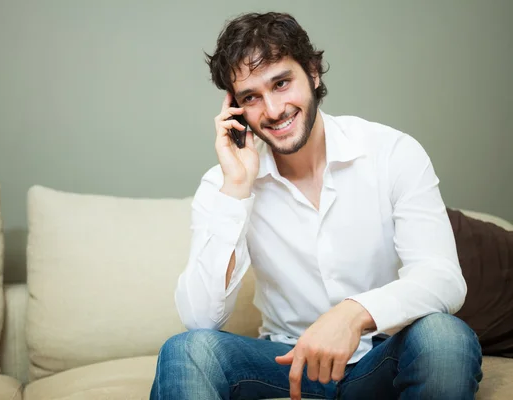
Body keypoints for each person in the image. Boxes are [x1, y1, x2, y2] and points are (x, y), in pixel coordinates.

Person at [150, 11, 482, 400]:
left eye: (282, 83)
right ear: (235, 109)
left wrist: (352, 314)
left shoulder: (392, 153)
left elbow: (442, 278)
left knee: (445, 337)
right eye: (251, 97)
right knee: (187, 350)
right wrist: (237, 188)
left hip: (381, 357)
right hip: (284, 362)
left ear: (313, 72)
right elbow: (200, 320)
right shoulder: (223, 184)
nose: (272, 110)